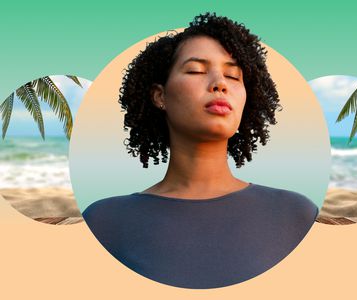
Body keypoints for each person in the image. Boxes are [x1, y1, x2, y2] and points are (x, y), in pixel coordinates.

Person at [83, 13, 318, 289]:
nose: (220, 83)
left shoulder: (296, 215)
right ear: (160, 96)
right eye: (196, 70)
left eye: (233, 75)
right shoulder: (104, 222)